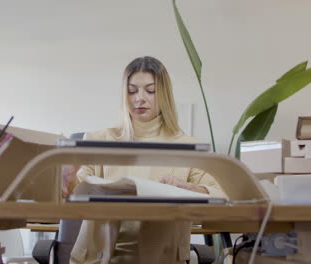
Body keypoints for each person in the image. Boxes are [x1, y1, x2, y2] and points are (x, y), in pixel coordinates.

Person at [63, 56, 225, 264]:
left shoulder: (187, 147)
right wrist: (67, 180)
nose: (139, 98)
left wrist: (187, 188)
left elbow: (221, 194)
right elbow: (77, 188)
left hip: (159, 258)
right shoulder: (98, 140)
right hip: (97, 259)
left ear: (164, 95)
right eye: (132, 91)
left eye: (150, 90)